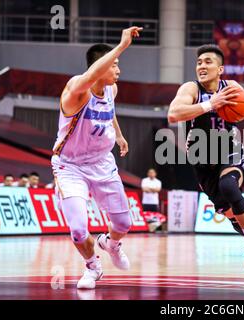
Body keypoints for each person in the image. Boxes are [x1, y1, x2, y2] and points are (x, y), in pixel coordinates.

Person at [51, 26, 143, 289]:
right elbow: (90, 75)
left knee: (124, 223)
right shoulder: (76, 89)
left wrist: (120, 135)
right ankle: (93, 267)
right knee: (78, 229)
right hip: (70, 166)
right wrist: (122, 44)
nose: (118, 70)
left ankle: (110, 243)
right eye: (114, 65)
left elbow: (110, 113)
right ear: (100, 67)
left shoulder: (111, 91)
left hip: (102, 163)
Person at [168, 44, 244, 269]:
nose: (202, 66)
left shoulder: (231, 87)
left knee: (229, 187)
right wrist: (210, 104)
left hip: (228, 148)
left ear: (220, 68)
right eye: (199, 62)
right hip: (201, 156)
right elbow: (174, 114)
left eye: (208, 62)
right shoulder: (191, 89)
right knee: (230, 213)